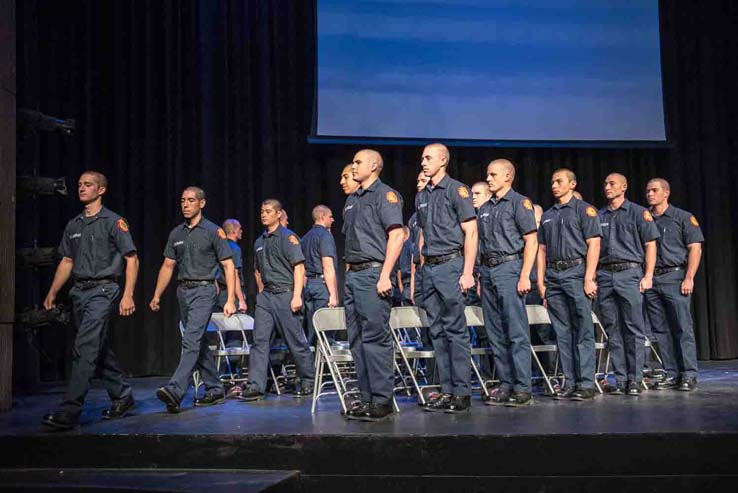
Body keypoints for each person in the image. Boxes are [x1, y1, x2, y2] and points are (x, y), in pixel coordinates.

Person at [41, 171, 139, 430]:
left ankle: (69, 409)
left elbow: (131, 258)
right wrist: (52, 291)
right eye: (80, 185)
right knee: (97, 347)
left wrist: (128, 294)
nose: (82, 188)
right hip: (79, 292)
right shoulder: (74, 224)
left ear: (101, 190)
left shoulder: (114, 222)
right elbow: (67, 261)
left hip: (104, 291)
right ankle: (122, 395)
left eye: (88, 185)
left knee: (85, 346)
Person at [149, 186, 236, 412]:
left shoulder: (213, 231)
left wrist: (231, 299)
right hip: (183, 291)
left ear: (201, 203)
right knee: (198, 342)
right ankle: (216, 388)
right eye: (182, 200)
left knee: (190, 339)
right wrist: (157, 294)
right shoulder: (176, 233)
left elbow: (228, 265)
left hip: (205, 291)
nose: (185, 204)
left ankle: (176, 389)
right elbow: (168, 265)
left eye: (190, 200)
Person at [343, 149, 404, 422]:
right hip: (354, 274)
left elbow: (397, 236)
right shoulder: (352, 200)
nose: (354, 166)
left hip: (373, 272)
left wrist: (385, 275)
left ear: (374, 166)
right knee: (356, 339)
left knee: (375, 338)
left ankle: (382, 399)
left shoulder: (385, 195)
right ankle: (366, 397)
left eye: (358, 162)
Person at [416, 143, 478, 413]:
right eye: (422, 159)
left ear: (443, 160)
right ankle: (447, 389)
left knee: (455, 330)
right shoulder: (422, 195)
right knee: (437, 332)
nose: (423, 163)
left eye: (428, 158)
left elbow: (471, 232)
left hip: (451, 265)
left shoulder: (457, 190)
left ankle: (462, 392)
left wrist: (467, 271)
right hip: (429, 268)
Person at [239, 200, 316, 400]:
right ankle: (256, 385)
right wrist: (262, 291)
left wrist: (297, 295)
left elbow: (299, 268)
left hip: (286, 294)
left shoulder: (288, 238)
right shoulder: (259, 242)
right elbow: (257, 270)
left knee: (295, 340)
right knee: (259, 341)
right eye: (262, 211)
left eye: (268, 211)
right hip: (266, 297)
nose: (263, 215)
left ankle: (308, 380)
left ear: (278, 214)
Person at [537, 169, 601, 401]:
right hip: (554, 276)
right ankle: (570, 381)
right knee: (562, 332)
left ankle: (586, 383)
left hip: (576, 272)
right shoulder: (547, 214)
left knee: (583, 330)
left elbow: (594, 244)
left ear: (572, 184)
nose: (554, 185)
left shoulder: (584, 210)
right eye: (552, 181)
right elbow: (541, 251)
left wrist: (588, 277)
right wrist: (542, 281)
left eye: (559, 181)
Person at [478, 159, 538, 407]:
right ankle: (506, 383)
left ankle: (522, 386)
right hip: (488, 269)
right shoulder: (484, 208)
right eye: (488, 175)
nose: (489, 179)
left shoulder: (519, 203)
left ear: (507, 177)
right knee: (495, 330)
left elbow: (531, 241)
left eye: (493, 175)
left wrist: (525, 274)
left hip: (510, 267)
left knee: (515, 330)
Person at [597, 173, 659, 396]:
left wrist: (648, 275)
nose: (607, 187)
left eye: (612, 184)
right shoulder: (599, 214)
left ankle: (634, 378)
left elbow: (650, 244)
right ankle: (621, 378)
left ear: (624, 187)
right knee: (613, 329)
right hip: (605, 275)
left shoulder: (637, 212)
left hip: (629, 273)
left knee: (633, 327)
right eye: (605, 184)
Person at [644, 178, 703, 391]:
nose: (650, 194)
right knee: (660, 330)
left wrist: (689, 277)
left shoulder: (682, 217)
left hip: (675, 277)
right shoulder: (645, 217)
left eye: (655, 190)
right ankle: (671, 373)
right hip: (652, 279)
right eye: (648, 191)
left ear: (666, 193)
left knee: (681, 327)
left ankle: (688, 374)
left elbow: (695, 248)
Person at [301, 204, 339, 345]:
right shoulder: (325, 236)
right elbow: (327, 266)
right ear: (322, 217)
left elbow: (302, 269)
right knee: (325, 330)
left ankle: (311, 366)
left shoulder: (304, 238)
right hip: (322, 286)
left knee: (311, 330)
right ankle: (326, 367)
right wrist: (333, 295)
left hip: (309, 286)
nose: (333, 220)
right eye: (330, 217)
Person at [408, 171, 430, 309]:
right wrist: (412, 283)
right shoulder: (413, 218)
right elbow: (414, 250)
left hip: (435, 265)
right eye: (418, 181)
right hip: (419, 270)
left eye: (423, 180)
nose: (419, 184)